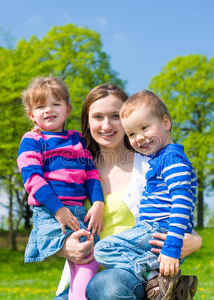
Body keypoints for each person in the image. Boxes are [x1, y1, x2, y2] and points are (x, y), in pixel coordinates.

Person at [54, 84, 202, 300]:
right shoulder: (76, 170)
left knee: (107, 286)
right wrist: (64, 248)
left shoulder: (150, 164)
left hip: (125, 279)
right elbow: (52, 227)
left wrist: (196, 241)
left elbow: (179, 207)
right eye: (97, 117)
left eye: (115, 116)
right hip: (83, 276)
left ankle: (158, 287)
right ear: (87, 122)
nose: (106, 125)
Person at [93, 90, 198, 299]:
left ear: (166, 123)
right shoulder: (159, 159)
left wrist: (171, 248)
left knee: (104, 249)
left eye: (144, 128)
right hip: (155, 232)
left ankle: (154, 276)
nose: (139, 137)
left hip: (159, 231)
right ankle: (159, 279)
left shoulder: (171, 159)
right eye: (131, 133)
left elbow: (182, 202)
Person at [16, 77, 104, 300]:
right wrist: (58, 210)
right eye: (40, 106)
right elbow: (33, 179)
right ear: (31, 115)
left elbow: (91, 174)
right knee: (90, 256)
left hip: (78, 211)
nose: (48, 110)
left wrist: (98, 202)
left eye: (55, 104)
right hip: (50, 213)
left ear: (67, 110)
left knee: (87, 259)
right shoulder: (32, 140)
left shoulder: (77, 140)